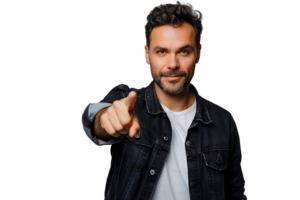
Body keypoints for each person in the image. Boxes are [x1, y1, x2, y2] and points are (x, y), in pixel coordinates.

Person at [80, 1, 248, 199]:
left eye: (183, 51)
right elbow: (96, 121)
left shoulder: (224, 121)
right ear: (146, 55)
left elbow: (236, 191)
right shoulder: (126, 101)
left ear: (199, 54)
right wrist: (105, 120)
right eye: (162, 51)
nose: (173, 64)